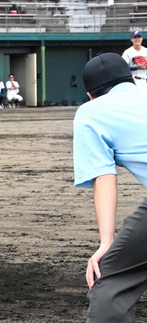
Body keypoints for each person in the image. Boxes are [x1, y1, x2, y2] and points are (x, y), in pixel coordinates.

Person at [73, 52, 147, 322]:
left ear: (91, 96)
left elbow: (103, 176)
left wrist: (106, 242)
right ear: (133, 81)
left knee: (110, 283)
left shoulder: (90, 112)